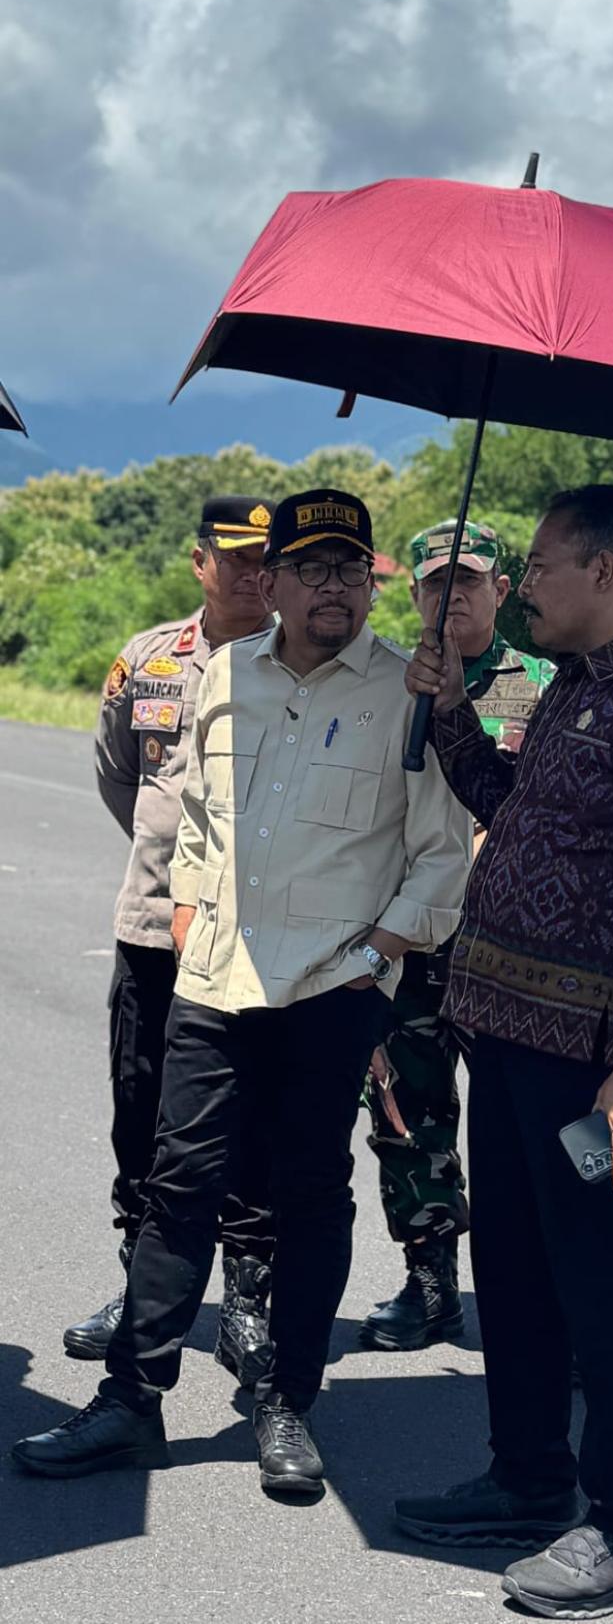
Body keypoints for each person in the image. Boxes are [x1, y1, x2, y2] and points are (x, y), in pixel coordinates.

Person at [14, 488, 471, 1497]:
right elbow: (197, 816)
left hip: (331, 986)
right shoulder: (225, 674)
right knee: (177, 1188)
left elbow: (443, 854)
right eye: (311, 568)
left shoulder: (409, 693)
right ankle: (131, 1399)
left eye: (350, 568)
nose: (332, 587)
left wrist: (378, 956)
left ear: (370, 585)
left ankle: (286, 1400)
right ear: (274, 582)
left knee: (307, 1195)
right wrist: (187, 912)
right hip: (216, 976)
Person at [395, 485, 613, 1619]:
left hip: (591, 1067)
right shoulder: (572, 690)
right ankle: (527, 1476)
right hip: (504, 1038)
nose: (523, 586)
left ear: (601, 571)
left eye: (538, 566)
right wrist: (449, 713)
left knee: (602, 1285)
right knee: (516, 1270)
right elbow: (507, 805)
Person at [63, 495, 279, 1391]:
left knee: (252, 1121)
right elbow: (121, 778)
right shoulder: (148, 661)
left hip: (257, 938)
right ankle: (140, 1287)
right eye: (235, 557)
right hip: (155, 927)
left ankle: (248, 1300)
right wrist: (174, 873)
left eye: (265, 557)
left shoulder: (301, 661)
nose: (252, 572)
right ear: (200, 563)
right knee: (141, 1107)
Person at [362, 519, 554, 1351]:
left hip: (508, 947)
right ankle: (430, 1280)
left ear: (501, 590)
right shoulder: (382, 682)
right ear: (414, 594)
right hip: (408, 941)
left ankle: (550, 1291)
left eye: (468, 581)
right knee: (406, 1115)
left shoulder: (545, 682)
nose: (452, 597)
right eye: (437, 583)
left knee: (533, 1120)